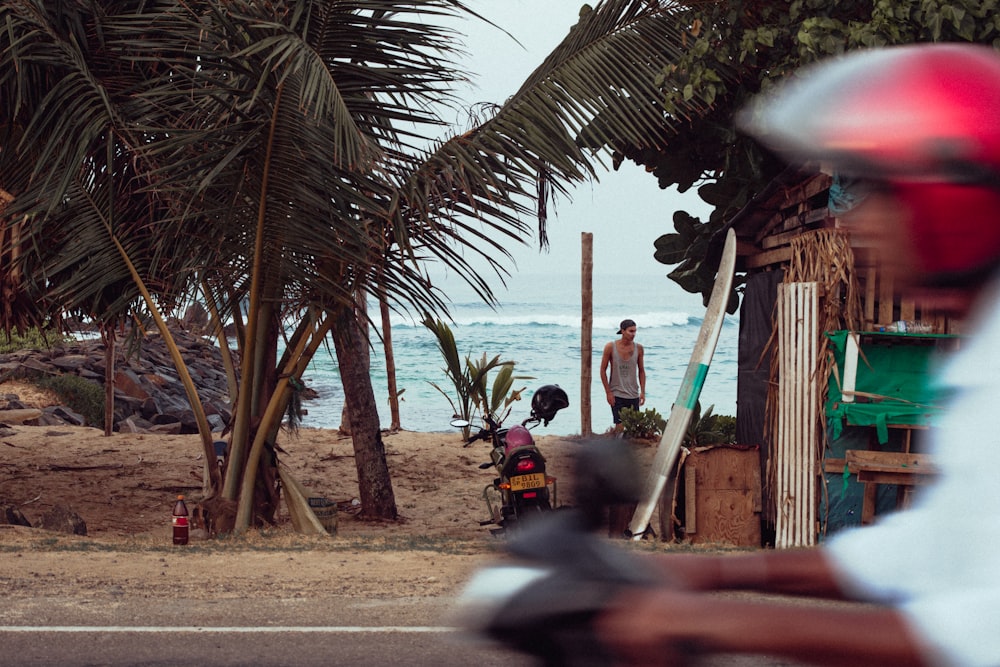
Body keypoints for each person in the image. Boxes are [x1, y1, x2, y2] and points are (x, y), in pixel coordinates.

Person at [596, 43, 1000, 666]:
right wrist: (713, 577)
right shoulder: (979, 361)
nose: (858, 226)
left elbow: (977, 632)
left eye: (885, 198)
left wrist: (720, 625)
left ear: (948, 202)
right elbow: (934, 545)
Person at [600, 318, 646, 431]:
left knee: (633, 428)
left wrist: (643, 392)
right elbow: (602, 370)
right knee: (620, 426)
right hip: (617, 393)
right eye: (631, 331)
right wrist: (608, 392)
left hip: (633, 394)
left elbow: (641, 370)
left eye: (635, 331)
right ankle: (617, 446)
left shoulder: (639, 348)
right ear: (623, 331)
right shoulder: (610, 347)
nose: (633, 334)